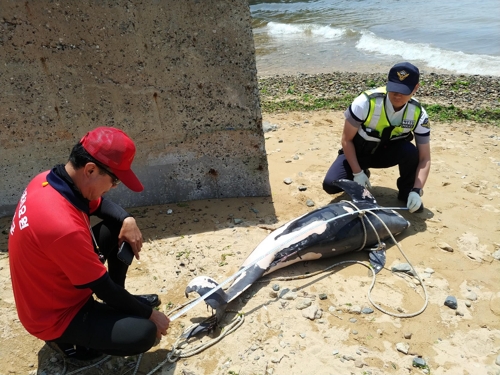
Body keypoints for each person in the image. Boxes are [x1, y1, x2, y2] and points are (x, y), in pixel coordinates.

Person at [8, 127, 170, 360]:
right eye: (114, 180)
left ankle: (118, 307)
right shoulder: (62, 229)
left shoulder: (46, 180)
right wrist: (149, 315)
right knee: (145, 333)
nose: (115, 186)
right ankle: (66, 341)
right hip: (55, 316)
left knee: (117, 227)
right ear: (91, 169)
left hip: (49, 287)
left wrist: (127, 219)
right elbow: (102, 287)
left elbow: (102, 206)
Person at [322, 62, 431, 213]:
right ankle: (363, 172)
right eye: (394, 89)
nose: (397, 95)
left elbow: (425, 158)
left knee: (411, 151)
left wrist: (417, 190)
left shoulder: (418, 113)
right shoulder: (366, 102)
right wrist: (357, 173)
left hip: (388, 155)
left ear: (415, 88)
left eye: (404, 91)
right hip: (359, 153)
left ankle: (408, 193)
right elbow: (346, 140)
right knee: (330, 184)